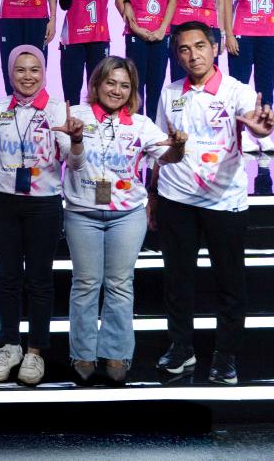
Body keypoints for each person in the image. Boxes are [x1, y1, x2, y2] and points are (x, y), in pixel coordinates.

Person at [152, 20, 274, 385]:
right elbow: (161, 147)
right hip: (176, 199)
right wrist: (154, 194)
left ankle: (226, 355)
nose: (193, 55)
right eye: (184, 49)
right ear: (178, 56)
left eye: (200, 46)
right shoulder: (170, 92)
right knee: (177, 279)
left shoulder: (238, 91)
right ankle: (181, 347)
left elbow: (257, 124)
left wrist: (260, 129)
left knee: (230, 282)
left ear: (215, 48)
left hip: (224, 201)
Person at [61, 56, 184, 385]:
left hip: (127, 214)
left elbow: (168, 157)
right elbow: (73, 164)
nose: (116, 90)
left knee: (119, 283)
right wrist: (76, 140)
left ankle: (116, 352)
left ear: (133, 91)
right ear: (96, 84)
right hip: (82, 213)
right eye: (110, 83)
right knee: (86, 283)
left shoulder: (141, 124)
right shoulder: (76, 116)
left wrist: (180, 147)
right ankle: (82, 353)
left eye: (124, 85)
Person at [0, 45, 66, 386]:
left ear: (44, 73)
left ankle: (35, 351)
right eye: (20, 70)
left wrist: (74, 140)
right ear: (10, 73)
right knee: (8, 278)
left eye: (34, 70)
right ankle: (9, 346)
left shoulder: (58, 110)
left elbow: (70, 160)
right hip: (3, 203)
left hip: (44, 203)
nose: (27, 76)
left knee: (40, 280)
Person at [228, 0, 274, 195]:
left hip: (269, 34)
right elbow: (225, 1)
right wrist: (228, 34)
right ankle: (240, 147)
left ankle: (265, 146)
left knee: (266, 89)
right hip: (242, 33)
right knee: (240, 90)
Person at [57, 0, 116, 106]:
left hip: (98, 37)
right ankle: (70, 120)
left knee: (99, 87)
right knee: (71, 88)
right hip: (72, 38)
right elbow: (64, 5)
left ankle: (98, 119)